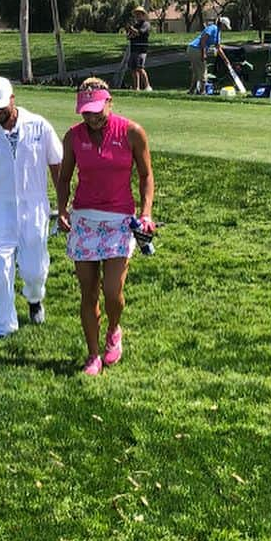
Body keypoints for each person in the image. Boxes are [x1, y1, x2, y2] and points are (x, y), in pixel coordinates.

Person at [56, 77, 154, 376]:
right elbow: (64, 178)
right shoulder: (73, 137)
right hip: (84, 220)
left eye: (97, 110)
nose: (92, 117)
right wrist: (62, 208)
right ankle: (93, 354)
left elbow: (146, 176)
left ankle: (114, 328)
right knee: (88, 293)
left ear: (110, 102)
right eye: (86, 111)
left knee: (113, 291)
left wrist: (146, 213)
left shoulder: (132, 132)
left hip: (119, 221)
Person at [0, 76, 63, 339]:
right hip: (0, 211)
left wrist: (64, 206)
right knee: (1, 268)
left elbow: (57, 166)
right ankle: (5, 324)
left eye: (2, 108)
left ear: (13, 99)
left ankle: (34, 298)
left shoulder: (39, 126)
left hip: (34, 207)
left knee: (34, 269)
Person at [186, 15, 231, 93]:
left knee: (196, 72)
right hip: (195, 49)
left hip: (195, 49)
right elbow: (203, 40)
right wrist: (203, 54)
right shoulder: (213, 28)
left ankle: (191, 91)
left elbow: (218, 48)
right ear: (222, 24)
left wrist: (225, 60)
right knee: (203, 72)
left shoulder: (218, 32)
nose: (226, 29)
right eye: (225, 26)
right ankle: (202, 92)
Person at [125, 6, 153, 91]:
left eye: (139, 14)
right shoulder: (135, 25)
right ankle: (136, 87)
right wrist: (129, 31)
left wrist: (132, 29)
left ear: (143, 15)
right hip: (133, 49)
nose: (137, 16)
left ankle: (147, 86)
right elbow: (129, 37)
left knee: (140, 68)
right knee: (133, 69)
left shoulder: (146, 24)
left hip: (141, 50)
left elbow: (140, 33)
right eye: (136, 14)